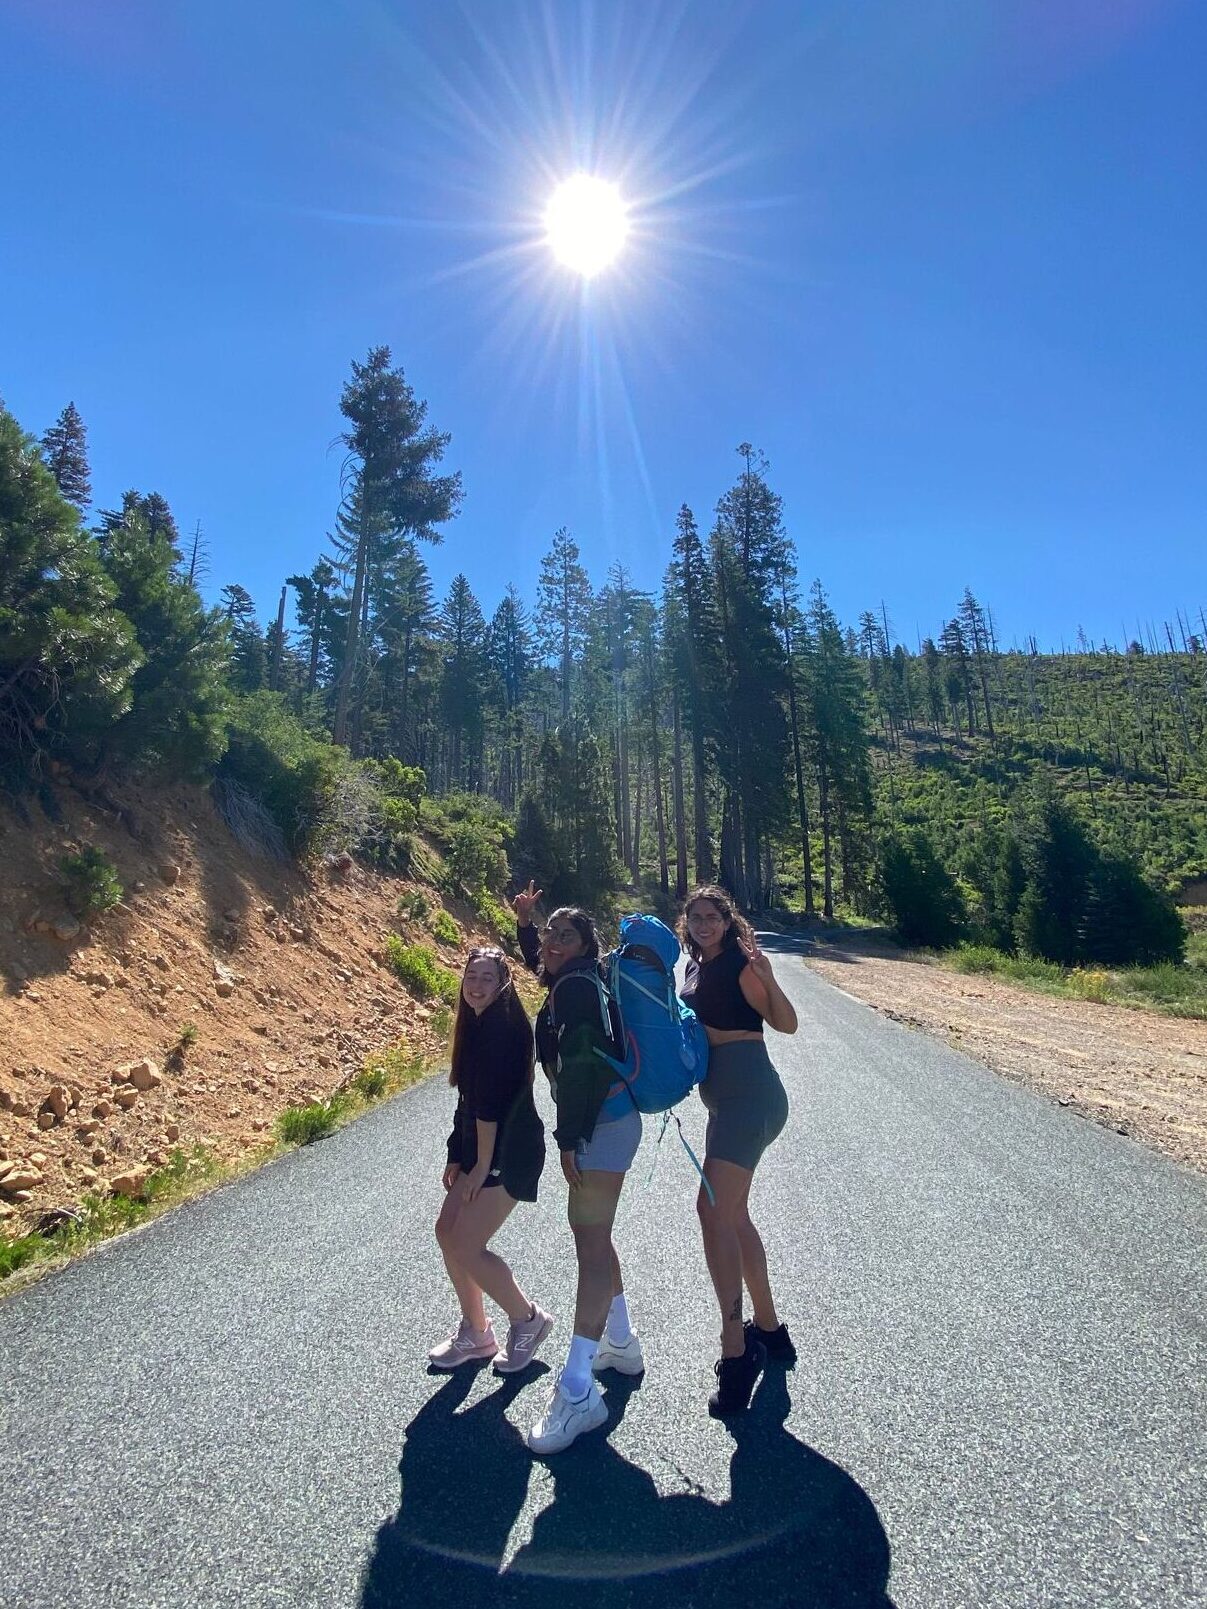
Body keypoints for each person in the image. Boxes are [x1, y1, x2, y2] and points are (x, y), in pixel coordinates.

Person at [513, 881, 645, 1454]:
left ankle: (577, 1390)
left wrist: (569, 1138)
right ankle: (620, 1340)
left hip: (600, 1124)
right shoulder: (571, 981)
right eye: (549, 934)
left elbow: (584, 1067)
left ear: (588, 946)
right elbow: (537, 961)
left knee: (589, 1250)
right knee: (593, 1237)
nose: (551, 942)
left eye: (565, 935)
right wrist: (526, 923)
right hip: (604, 1122)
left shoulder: (578, 990)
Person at [679, 885, 799, 1417]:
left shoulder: (737, 964)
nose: (703, 924)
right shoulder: (695, 968)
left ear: (728, 921)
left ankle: (736, 1352)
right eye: (695, 917)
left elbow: (786, 1023)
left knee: (711, 1213)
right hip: (726, 1104)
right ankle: (770, 1332)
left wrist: (769, 981)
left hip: (750, 1095)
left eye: (712, 916)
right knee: (733, 1216)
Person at [430, 946, 552, 1374]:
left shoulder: (501, 1028)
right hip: (481, 1149)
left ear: (503, 983)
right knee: (447, 1231)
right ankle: (477, 1333)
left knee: (466, 1244)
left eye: (486, 978)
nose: (476, 985)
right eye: (471, 976)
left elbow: (490, 1108)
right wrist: (456, 1154)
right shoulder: (477, 1024)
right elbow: (468, 1098)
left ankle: (528, 1320)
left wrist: (480, 1166)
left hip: (509, 1152)